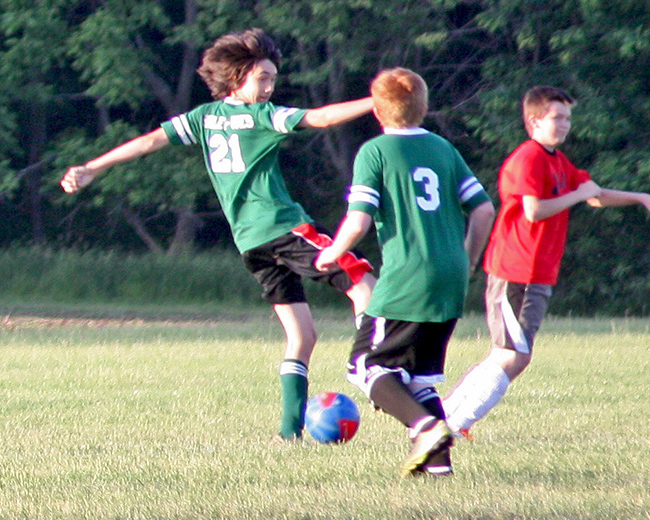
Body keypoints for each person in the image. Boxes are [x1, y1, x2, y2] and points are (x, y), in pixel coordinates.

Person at [60, 28, 377, 443]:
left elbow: (148, 142)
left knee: (302, 336)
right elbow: (318, 118)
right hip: (284, 228)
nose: (269, 87)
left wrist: (93, 167)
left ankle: (289, 433)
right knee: (365, 283)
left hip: (250, 244)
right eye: (261, 78)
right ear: (236, 78)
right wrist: (377, 100)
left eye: (272, 79)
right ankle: (370, 363)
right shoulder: (263, 116)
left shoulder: (204, 118)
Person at [315, 67, 495, 477]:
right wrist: (467, 258)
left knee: (365, 366)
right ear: (424, 107)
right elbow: (484, 209)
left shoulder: (375, 152)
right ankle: (439, 468)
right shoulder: (444, 150)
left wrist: (332, 253)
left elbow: (358, 221)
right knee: (418, 377)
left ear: (377, 111)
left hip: (406, 277)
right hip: (451, 274)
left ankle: (426, 426)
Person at [443, 86, 650, 438]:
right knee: (513, 356)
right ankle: (452, 424)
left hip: (538, 274)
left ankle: (443, 417)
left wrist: (640, 197)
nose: (565, 124)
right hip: (515, 271)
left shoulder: (557, 160)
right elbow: (533, 209)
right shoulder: (528, 158)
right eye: (557, 117)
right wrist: (578, 195)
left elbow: (594, 195)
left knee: (508, 355)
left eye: (568, 117)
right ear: (534, 120)